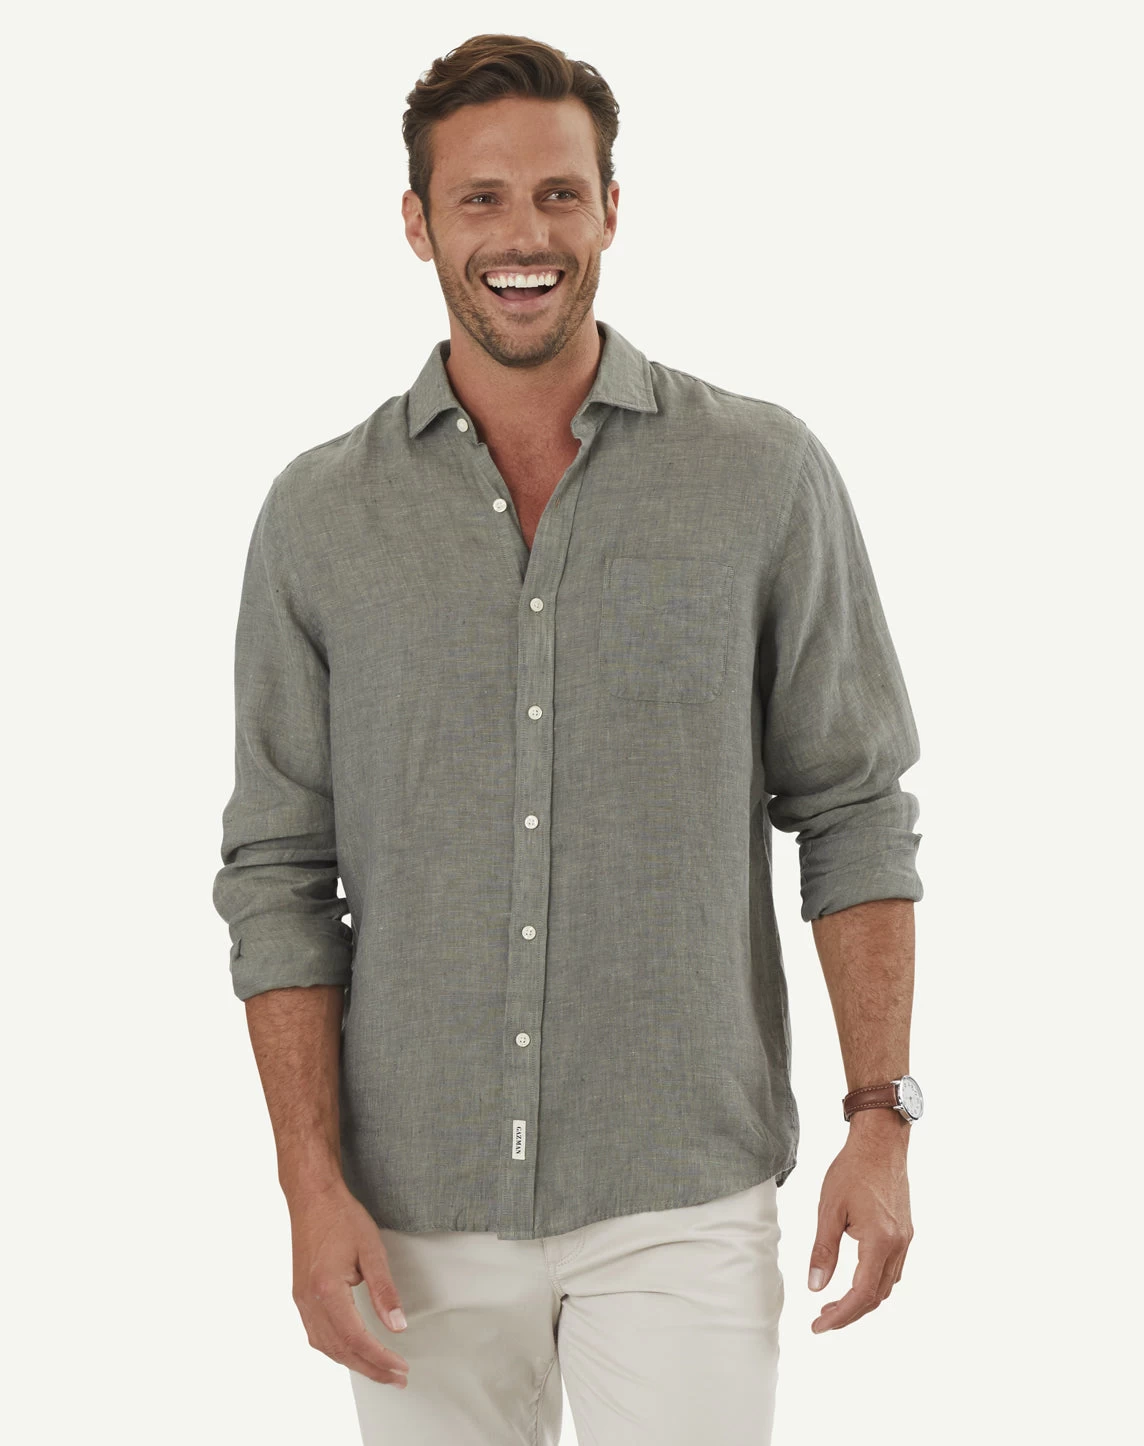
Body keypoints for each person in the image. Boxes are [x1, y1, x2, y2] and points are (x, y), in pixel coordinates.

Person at [212, 32, 925, 1446]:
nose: (523, 235)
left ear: (611, 210)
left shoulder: (761, 474)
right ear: (417, 223)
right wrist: (309, 1183)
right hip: (411, 1205)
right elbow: (279, 872)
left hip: (683, 1187)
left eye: (557, 194)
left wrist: (880, 1117)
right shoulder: (320, 517)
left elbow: (854, 806)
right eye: (479, 199)